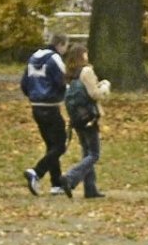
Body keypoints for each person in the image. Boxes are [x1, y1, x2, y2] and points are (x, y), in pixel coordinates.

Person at [56, 44, 110, 198]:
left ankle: (90, 188)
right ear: (82, 55)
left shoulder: (70, 74)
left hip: (76, 117)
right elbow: (94, 94)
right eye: (86, 53)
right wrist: (104, 87)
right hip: (89, 116)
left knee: (86, 151)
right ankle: (70, 177)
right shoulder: (86, 71)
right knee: (94, 154)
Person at [22, 32, 71, 194]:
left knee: (51, 145)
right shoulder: (54, 58)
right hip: (51, 106)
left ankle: (56, 183)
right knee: (60, 145)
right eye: (65, 46)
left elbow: (24, 83)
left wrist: (32, 95)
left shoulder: (34, 57)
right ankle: (37, 171)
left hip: (36, 106)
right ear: (61, 44)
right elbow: (62, 80)